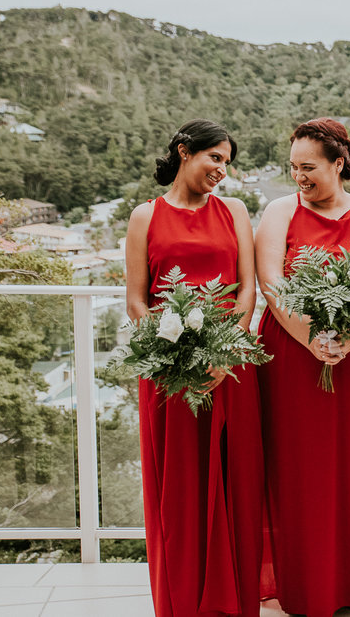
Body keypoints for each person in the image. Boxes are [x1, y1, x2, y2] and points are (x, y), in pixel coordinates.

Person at [125, 120, 263, 617]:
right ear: (185, 152)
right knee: (179, 488)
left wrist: (226, 352)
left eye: (227, 161)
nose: (221, 169)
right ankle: (182, 601)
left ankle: (233, 601)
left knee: (235, 482)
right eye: (214, 158)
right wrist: (179, 359)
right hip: (169, 373)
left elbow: (247, 290)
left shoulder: (236, 211)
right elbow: (137, 302)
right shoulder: (145, 215)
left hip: (230, 366)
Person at [254, 118, 350, 614]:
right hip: (291, 353)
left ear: (339, 163)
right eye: (293, 167)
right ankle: (304, 585)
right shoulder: (277, 211)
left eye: (308, 167)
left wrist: (349, 338)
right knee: (298, 468)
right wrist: (312, 338)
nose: (299, 177)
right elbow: (270, 283)